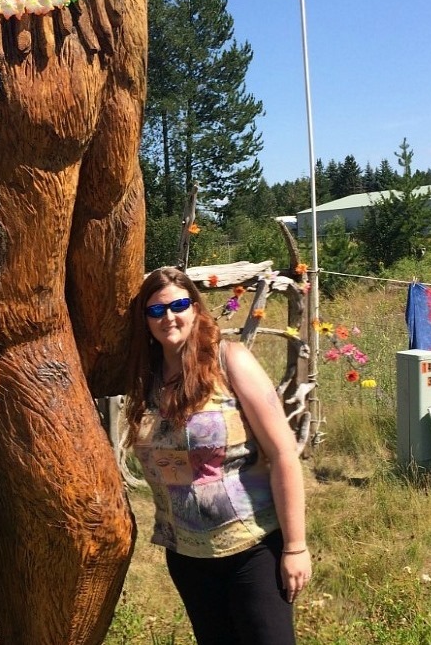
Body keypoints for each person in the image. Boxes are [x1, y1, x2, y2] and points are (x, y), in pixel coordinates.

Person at [124, 266, 311, 645]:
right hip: (188, 556)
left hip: (252, 549)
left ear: (195, 307)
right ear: (145, 319)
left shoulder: (229, 361)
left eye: (178, 305)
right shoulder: (146, 379)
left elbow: (283, 454)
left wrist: (295, 547)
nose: (169, 317)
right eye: (156, 310)